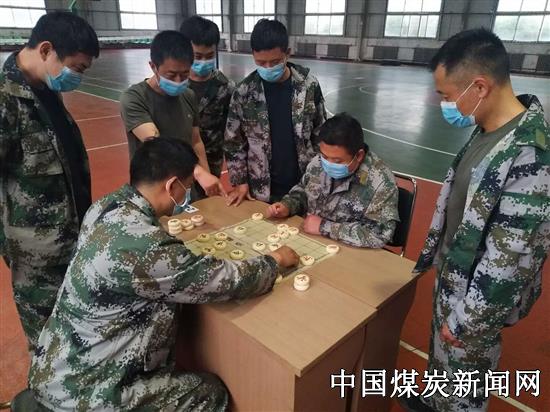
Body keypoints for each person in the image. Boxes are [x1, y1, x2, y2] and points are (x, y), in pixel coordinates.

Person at [29, 138, 299, 411]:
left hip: (53, 368)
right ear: (171, 186)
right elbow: (222, 280)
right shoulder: (145, 247)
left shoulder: (105, 206)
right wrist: (274, 260)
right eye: (186, 189)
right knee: (210, 393)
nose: (185, 198)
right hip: (84, 393)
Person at [404, 29, 550, 412]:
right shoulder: (488, 129)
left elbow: (511, 260)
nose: (445, 105)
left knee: (466, 382)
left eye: (447, 95)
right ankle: (435, 401)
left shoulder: (531, 154)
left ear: (480, 87)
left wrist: (467, 320)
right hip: (455, 275)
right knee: (442, 359)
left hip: (477, 299)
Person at [0, 11, 99, 351]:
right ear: (46, 50)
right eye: (77, 67)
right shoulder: (5, 100)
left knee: (76, 331)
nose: (77, 77)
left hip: (72, 238)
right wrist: (12, 242)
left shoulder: (43, 86)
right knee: (47, 343)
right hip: (38, 256)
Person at [224, 19, 327, 206]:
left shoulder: (308, 86)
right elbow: (233, 143)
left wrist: (319, 176)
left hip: (304, 185)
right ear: (253, 55)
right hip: (261, 190)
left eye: (275, 62)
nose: (268, 68)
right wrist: (240, 182)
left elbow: (321, 133)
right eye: (261, 62)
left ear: (287, 53)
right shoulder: (244, 92)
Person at [267, 113, 399, 248]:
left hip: (349, 250)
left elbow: (379, 234)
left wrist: (324, 227)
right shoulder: (318, 162)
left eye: (337, 161)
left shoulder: (380, 181)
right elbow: (303, 190)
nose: (328, 164)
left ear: (359, 155)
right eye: (324, 156)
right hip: (309, 240)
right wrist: (288, 205)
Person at [120, 30, 224, 199]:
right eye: (171, 75)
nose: (178, 81)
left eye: (184, 74)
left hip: (186, 186)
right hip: (154, 190)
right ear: (153, 66)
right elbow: (157, 144)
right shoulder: (134, 98)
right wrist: (197, 171)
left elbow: (196, 141)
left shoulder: (188, 95)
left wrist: (207, 176)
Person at [180, 16, 235, 199]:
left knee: (206, 208)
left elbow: (233, 133)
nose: (204, 61)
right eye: (197, 56)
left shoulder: (226, 87)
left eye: (210, 56)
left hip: (211, 164)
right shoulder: (175, 85)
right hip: (177, 162)